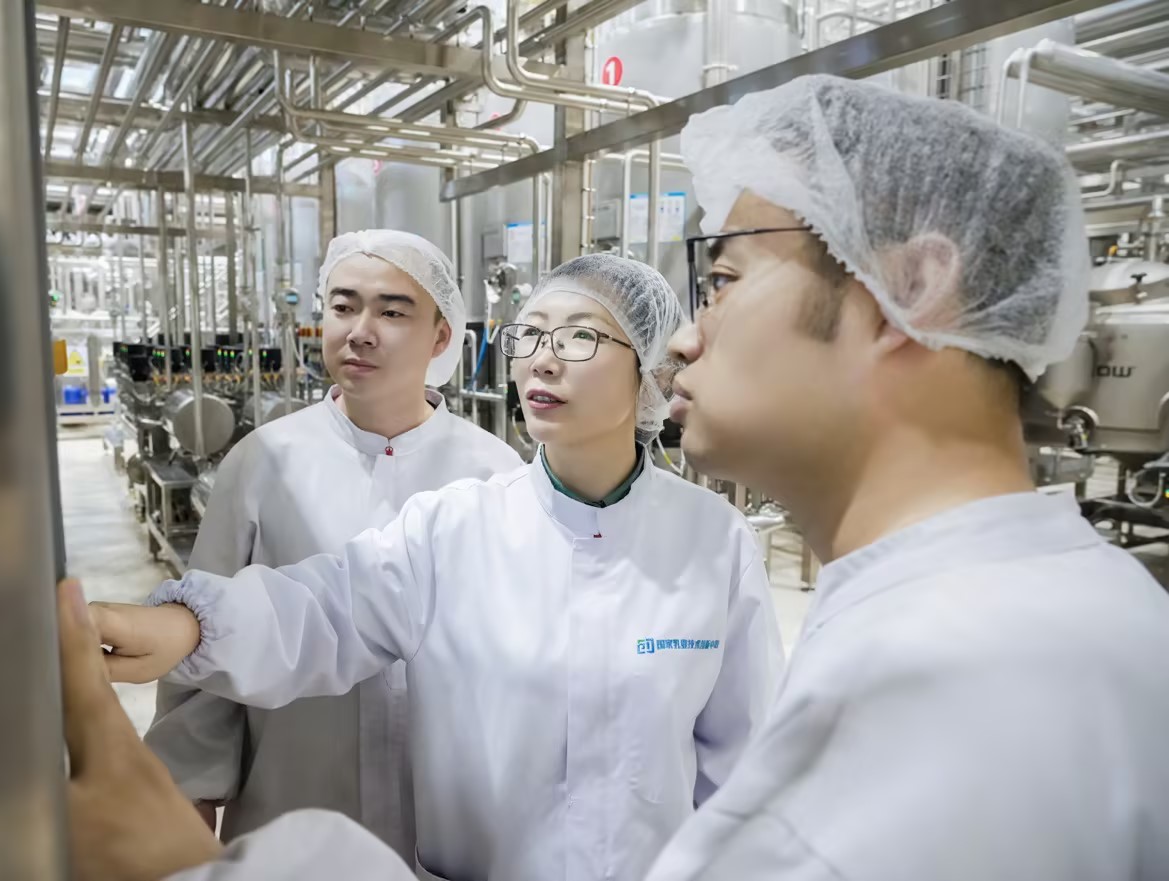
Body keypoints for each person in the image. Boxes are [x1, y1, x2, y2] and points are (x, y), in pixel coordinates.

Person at [64, 74, 1169, 881]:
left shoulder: (967, 676)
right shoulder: (1019, 614)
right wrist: (187, 623)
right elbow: (334, 603)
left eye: (723, 277)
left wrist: (194, 867)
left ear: (909, 289)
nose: (687, 336)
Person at [91, 253, 784, 881]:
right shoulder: (455, 524)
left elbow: (745, 762)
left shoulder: (712, 541)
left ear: (651, 369)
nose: (542, 361)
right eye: (530, 335)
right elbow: (321, 609)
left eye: (579, 337)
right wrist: (185, 625)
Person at [144, 229, 523, 856]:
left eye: (392, 312)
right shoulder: (263, 460)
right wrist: (187, 792)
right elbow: (203, 640)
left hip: (448, 820)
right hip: (292, 804)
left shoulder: (494, 472)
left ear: (440, 337)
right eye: (343, 307)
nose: (360, 331)